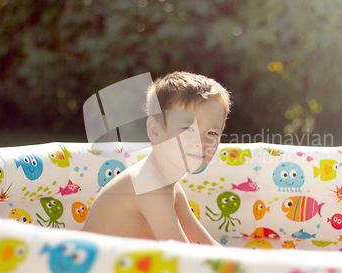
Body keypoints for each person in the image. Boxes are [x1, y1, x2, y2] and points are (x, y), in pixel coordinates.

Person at [83, 72, 231, 246]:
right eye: (188, 129)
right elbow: (185, 257)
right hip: (97, 270)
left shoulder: (171, 186)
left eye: (212, 133)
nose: (202, 142)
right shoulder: (149, 185)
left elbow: (205, 245)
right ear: (155, 131)